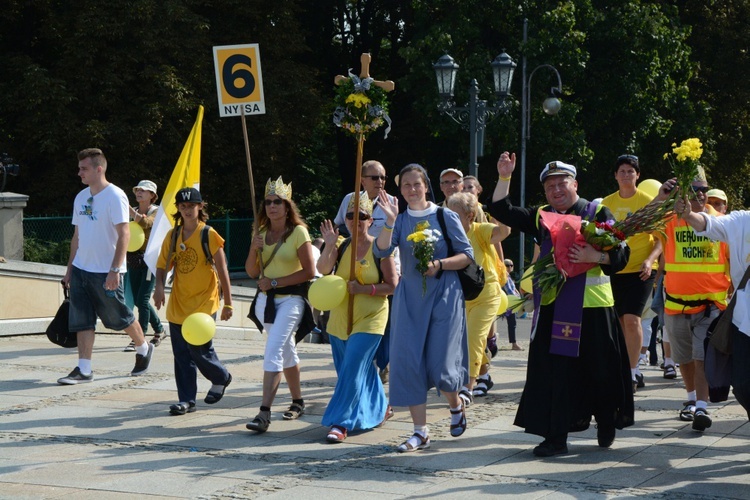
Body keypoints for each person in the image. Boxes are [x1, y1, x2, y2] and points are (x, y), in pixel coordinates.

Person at [488, 153, 634, 457]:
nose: (556, 189)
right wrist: (504, 176)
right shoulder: (541, 215)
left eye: (561, 183)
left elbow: (622, 254)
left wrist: (596, 257)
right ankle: (555, 436)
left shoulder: (596, 211)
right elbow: (502, 210)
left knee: (600, 371)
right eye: (550, 186)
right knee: (555, 374)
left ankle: (605, 420)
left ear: (575, 184)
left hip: (593, 308)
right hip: (554, 308)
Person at [374, 163, 472, 452]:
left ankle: (455, 405)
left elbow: (466, 255)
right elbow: (381, 250)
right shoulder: (400, 220)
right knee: (409, 362)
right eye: (406, 185)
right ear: (400, 190)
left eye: (417, 184)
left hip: (445, 294)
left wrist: (439, 264)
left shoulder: (445, 215)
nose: (412, 189)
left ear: (426, 186)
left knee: (442, 364)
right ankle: (420, 432)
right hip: (410, 299)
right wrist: (389, 221)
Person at [59, 148, 153, 384]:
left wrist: (114, 269)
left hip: (106, 270)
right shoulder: (80, 197)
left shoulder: (115, 196)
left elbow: (124, 235)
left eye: (84, 168)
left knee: (118, 317)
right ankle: (84, 369)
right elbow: (76, 236)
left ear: (98, 169)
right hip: (82, 268)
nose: (79, 172)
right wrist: (70, 268)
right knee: (82, 319)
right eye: (79, 168)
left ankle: (143, 347)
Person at [317, 193, 398, 442]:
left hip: (371, 318)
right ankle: (382, 407)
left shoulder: (380, 247)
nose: (356, 220)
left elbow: (392, 285)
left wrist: (363, 289)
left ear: (370, 220)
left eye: (361, 216)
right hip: (340, 318)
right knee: (353, 370)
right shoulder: (341, 246)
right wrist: (329, 244)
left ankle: (341, 423)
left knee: (353, 367)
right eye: (351, 216)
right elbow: (322, 270)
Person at [655, 170, 730, 431]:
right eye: (694, 188)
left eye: (703, 188)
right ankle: (689, 400)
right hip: (676, 305)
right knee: (684, 358)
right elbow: (639, 224)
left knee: (701, 357)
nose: (700, 193)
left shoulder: (720, 221)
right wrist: (660, 198)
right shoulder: (670, 218)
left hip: (711, 306)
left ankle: (701, 406)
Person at [153, 188, 233, 415]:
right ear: (178, 209)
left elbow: (223, 270)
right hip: (179, 303)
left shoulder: (208, 234)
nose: (187, 210)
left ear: (200, 207)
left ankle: (221, 377)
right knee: (181, 355)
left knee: (199, 350)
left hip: (204, 303)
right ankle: (187, 400)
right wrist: (159, 287)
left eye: (192, 206)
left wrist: (228, 303)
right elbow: (161, 266)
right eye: (183, 206)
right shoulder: (173, 235)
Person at [245, 177, 316, 433]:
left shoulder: (298, 233)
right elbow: (252, 271)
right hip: (266, 302)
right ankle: (298, 401)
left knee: (273, 349)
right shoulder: (261, 234)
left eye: (278, 202)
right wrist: (254, 248)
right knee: (286, 350)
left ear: (287, 207)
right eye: (268, 202)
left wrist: (274, 281)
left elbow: (309, 271)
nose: (272, 206)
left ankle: (264, 413)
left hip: (292, 300)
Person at [675, 191, 750, 420]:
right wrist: (689, 214)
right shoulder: (742, 221)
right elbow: (708, 224)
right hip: (744, 321)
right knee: (742, 385)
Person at [602, 154, 663, 393]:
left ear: (638, 175)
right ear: (616, 176)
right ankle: (621, 366)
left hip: (641, 271)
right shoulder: (606, 204)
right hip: (615, 269)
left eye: (631, 171)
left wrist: (650, 260)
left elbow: (660, 240)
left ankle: (632, 370)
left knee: (632, 319)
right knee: (617, 323)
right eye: (622, 171)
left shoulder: (649, 202)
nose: (626, 175)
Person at [334, 160, 399, 382]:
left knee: (385, 312)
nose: (380, 182)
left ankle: (383, 362)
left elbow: (394, 236)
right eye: (374, 177)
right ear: (362, 180)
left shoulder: (391, 202)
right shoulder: (349, 199)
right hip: (355, 254)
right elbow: (340, 226)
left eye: (383, 178)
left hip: (383, 258)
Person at [446, 192, 508, 406]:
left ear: (470, 216)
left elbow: (504, 232)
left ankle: (468, 387)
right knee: (468, 340)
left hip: (486, 295)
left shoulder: (480, 230)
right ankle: (482, 371)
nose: (449, 218)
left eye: (454, 214)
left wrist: (499, 213)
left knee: (472, 338)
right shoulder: (448, 235)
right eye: (447, 213)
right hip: (462, 297)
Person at [123, 180, 166, 352]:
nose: (139, 192)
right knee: (139, 300)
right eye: (138, 190)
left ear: (152, 196)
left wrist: (131, 213)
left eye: (144, 190)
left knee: (143, 300)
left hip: (149, 260)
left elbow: (147, 223)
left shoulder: (157, 212)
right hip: (133, 259)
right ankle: (160, 330)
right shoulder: (131, 211)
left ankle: (139, 338)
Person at [502, 258, 523, 351]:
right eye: (507, 265)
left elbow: (514, 290)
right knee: (512, 323)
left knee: (512, 323)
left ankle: (514, 343)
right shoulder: (504, 277)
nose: (509, 267)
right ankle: (514, 344)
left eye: (511, 265)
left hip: (510, 302)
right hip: (508, 302)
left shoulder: (509, 277)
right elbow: (510, 291)